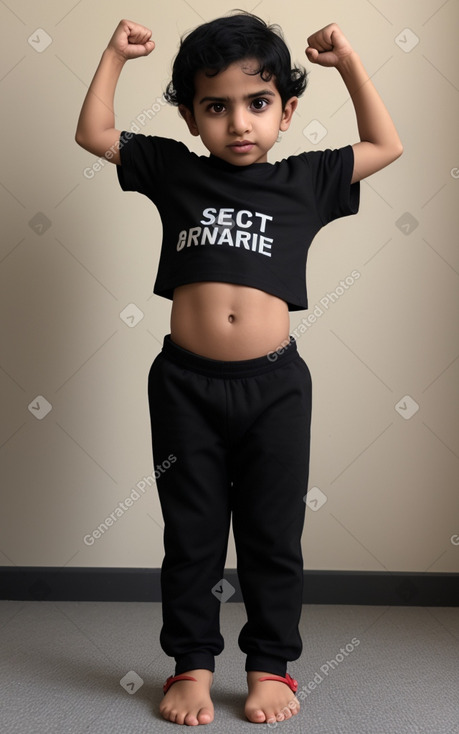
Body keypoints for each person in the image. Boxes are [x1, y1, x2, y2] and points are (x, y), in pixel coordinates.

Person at [75, 11, 402, 726]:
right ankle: (190, 665)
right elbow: (94, 134)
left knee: (270, 533)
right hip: (185, 386)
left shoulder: (307, 179)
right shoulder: (173, 169)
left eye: (256, 103)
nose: (237, 122)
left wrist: (345, 60)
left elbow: (386, 143)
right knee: (190, 531)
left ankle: (268, 667)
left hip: (275, 388)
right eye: (214, 106)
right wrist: (113, 56)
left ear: (286, 111)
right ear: (192, 118)